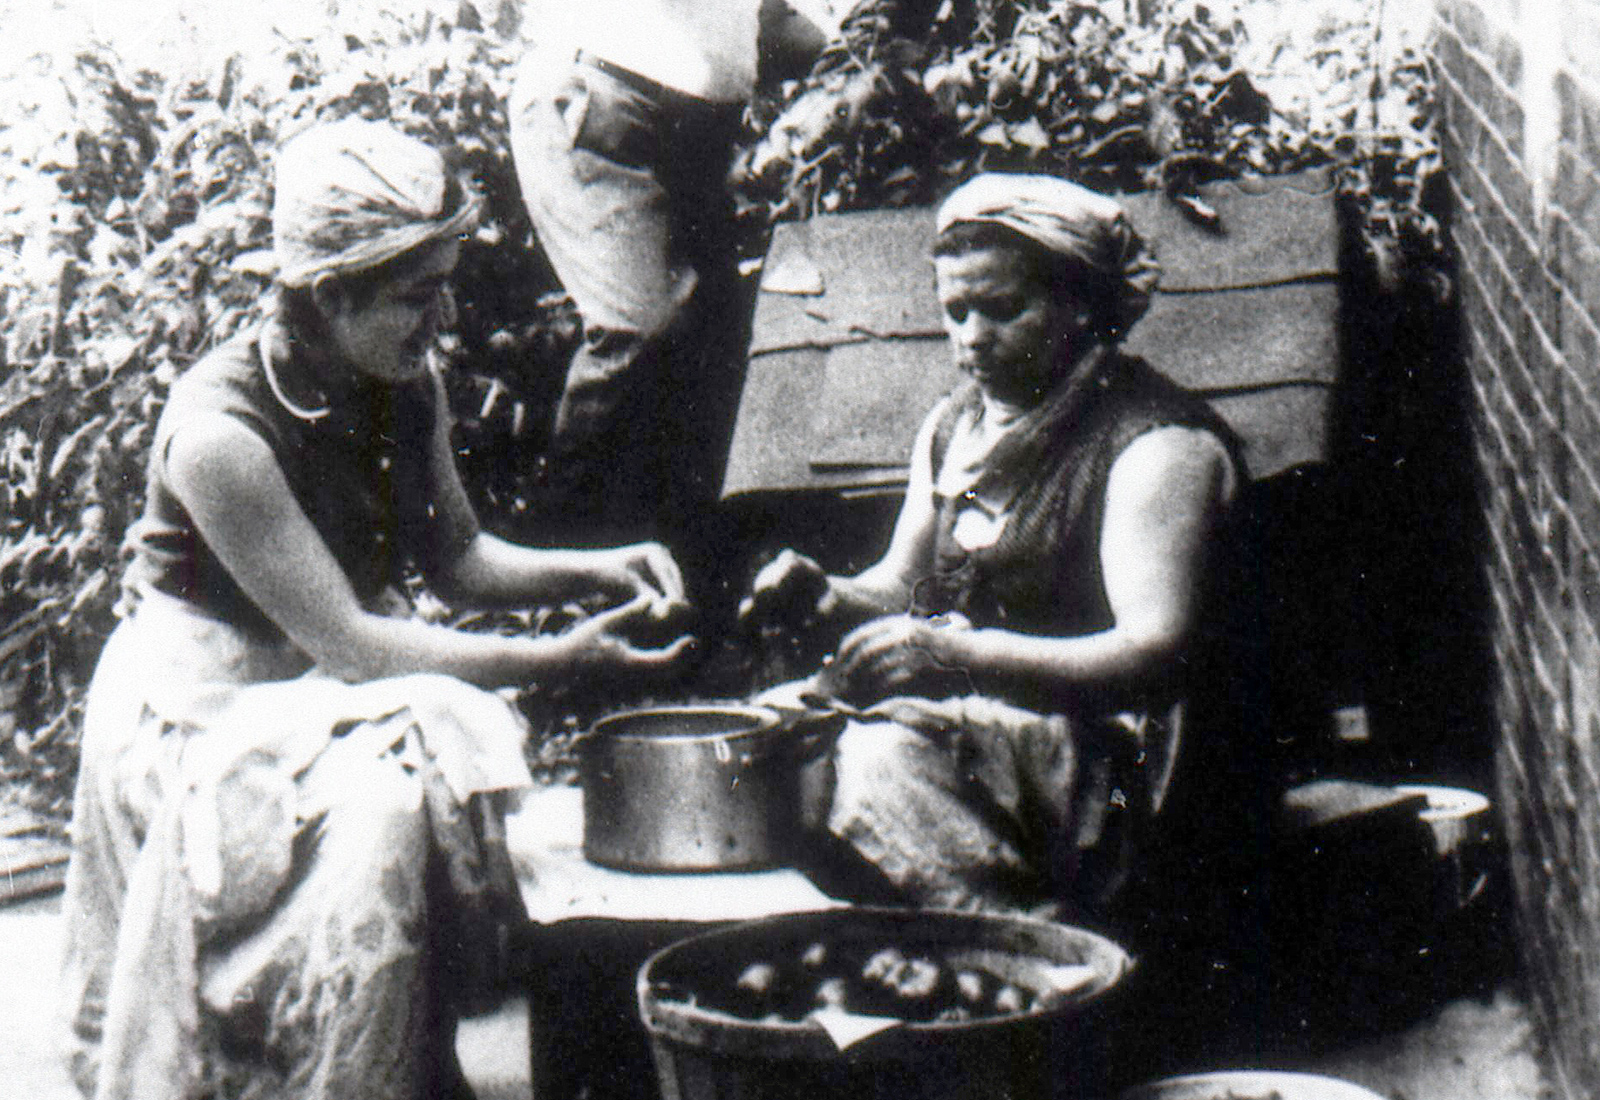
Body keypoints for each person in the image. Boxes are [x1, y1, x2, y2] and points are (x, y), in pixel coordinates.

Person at [57, 119, 692, 1100]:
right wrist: (565, 656)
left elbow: (461, 558)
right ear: (328, 293)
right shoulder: (220, 432)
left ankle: (399, 1066)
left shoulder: (405, 380)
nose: (440, 318)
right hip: (207, 701)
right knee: (377, 823)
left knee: (411, 813)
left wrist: (597, 570)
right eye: (414, 294)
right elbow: (352, 643)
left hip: (326, 679)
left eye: (443, 284)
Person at [741, 172, 1244, 917]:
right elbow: (903, 585)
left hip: (1131, 762)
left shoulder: (1153, 445)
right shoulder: (957, 427)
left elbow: (1152, 654)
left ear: (1079, 304)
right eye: (956, 311)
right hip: (1007, 730)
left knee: (881, 758)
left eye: (1004, 309)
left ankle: (1031, 952)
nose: (973, 336)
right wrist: (829, 591)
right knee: (779, 729)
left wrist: (958, 655)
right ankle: (921, 938)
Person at [506, 0, 931, 547]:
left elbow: (767, 28)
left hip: (695, 127)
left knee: (714, 343)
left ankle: (689, 571)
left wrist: (865, 57)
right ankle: (556, 559)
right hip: (600, 104)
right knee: (641, 327)